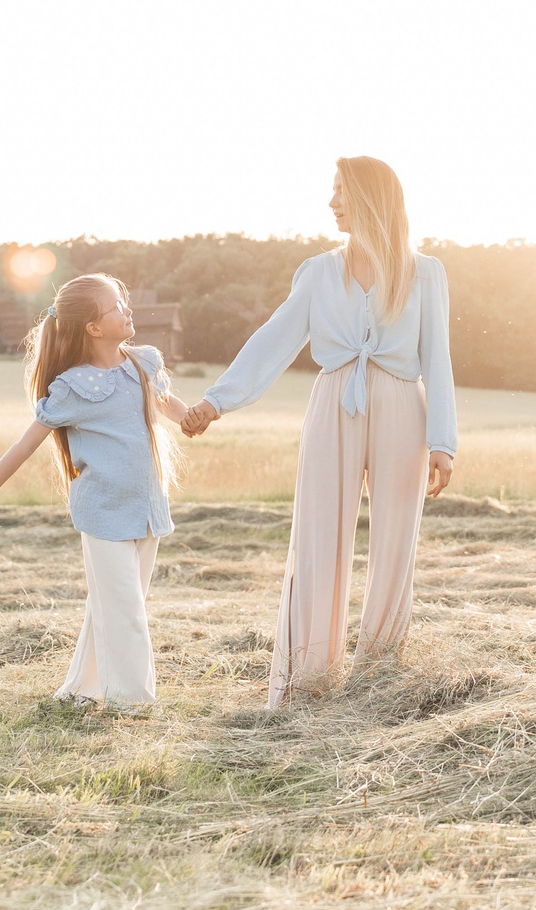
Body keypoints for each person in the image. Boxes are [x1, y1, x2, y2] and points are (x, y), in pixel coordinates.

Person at [181, 156, 456, 706]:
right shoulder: (317, 272)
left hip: (403, 404)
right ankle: (306, 678)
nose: (331, 202)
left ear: (371, 198)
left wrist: (443, 443)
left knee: (395, 540)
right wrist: (216, 402)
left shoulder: (425, 272)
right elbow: (272, 342)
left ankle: (378, 674)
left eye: (341, 192)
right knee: (317, 534)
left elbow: (438, 359)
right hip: (334, 402)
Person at [0, 274, 190, 709]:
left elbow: (163, 400)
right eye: (117, 306)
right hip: (103, 514)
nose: (128, 310)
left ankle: (80, 690)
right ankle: (131, 703)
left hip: (147, 508)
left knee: (116, 606)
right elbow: (25, 445)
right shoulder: (74, 387)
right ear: (94, 328)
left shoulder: (143, 363)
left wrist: (189, 416)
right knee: (126, 614)